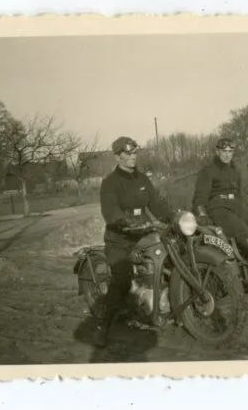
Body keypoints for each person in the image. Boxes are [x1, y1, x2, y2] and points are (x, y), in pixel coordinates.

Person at [92, 136, 173, 348]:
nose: (131, 157)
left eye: (134, 153)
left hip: (143, 233)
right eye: (127, 154)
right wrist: (124, 222)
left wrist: (174, 218)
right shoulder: (110, 182)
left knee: (170, 257)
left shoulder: (143, 179)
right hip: (120, 238)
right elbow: (110, 211)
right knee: (121, 280)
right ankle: (102, 326)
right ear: (117, 156)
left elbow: (156, 204)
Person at [192, 137, 248, 282]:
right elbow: (199, 198)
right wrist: (202, 214)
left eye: (230, 151)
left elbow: (239, 194)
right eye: (224, 151)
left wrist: (243, 209)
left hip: (235, 205)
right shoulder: (208, 171)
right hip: (218, 208)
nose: (227, 155)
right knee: (241, 230)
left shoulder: (235, 171)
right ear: (217, 152)